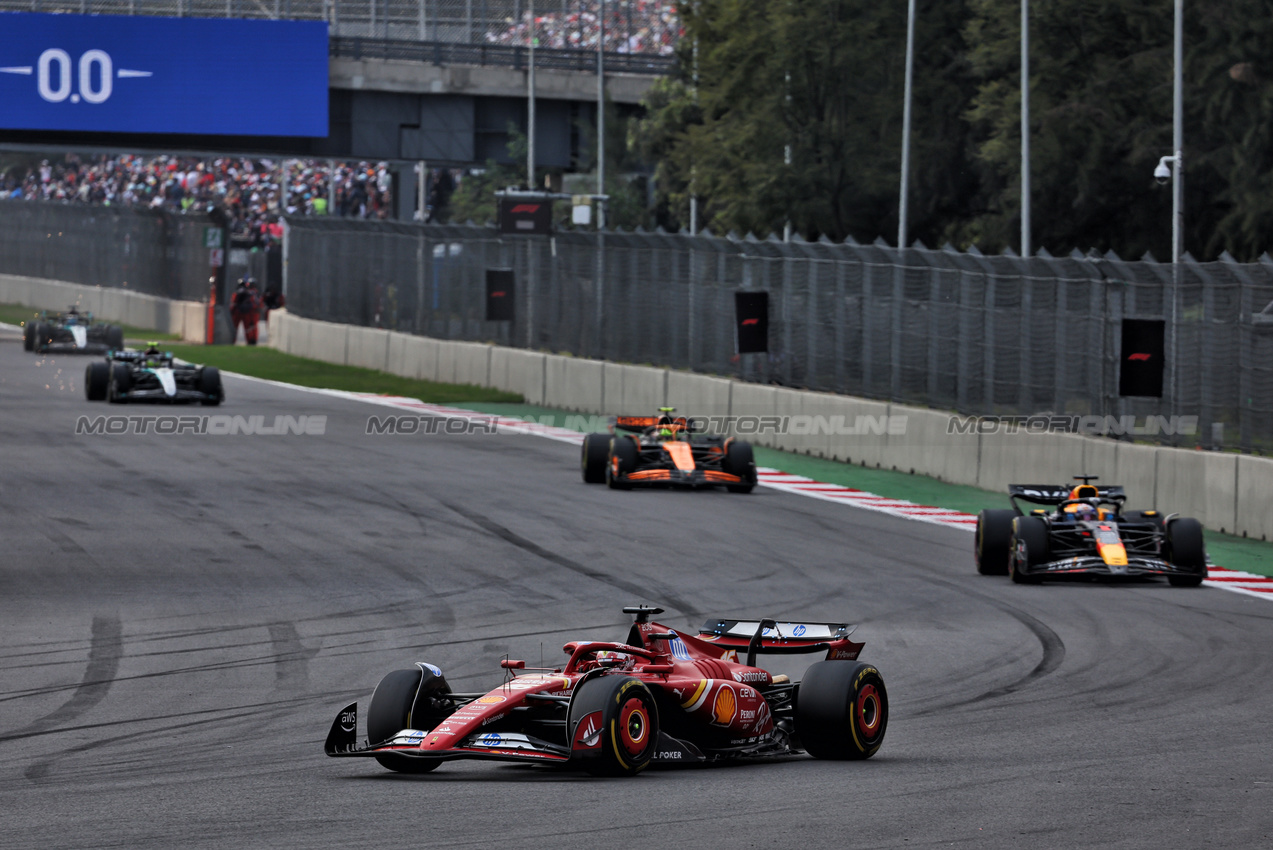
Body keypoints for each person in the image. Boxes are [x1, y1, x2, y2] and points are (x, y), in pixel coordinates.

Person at [230, 276, 262, 345]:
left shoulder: (250, 293)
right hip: (243, 312)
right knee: (247, 328)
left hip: (244, 312)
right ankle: (250, 340)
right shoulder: (247, 293)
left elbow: (234, 304)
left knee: (248, 328)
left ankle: (250, 340)